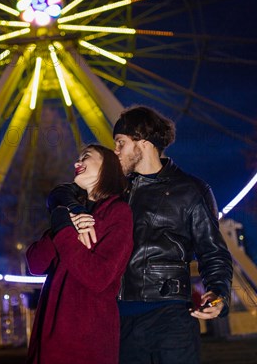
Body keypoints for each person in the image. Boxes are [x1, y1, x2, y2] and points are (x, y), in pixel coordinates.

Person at [48, 105, 233, 364]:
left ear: (142, 143)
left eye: (120, 143)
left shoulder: (191, 190)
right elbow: (61, 192)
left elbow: (213, 251)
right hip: (117, 320)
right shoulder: (115, 191)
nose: (115, 151)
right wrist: (75, 209)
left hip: (170, 317)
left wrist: (218, 292)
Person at [25, 144, 134, 364]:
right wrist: (60, 220)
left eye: (85, 157)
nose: (76, 163)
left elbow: (98, 277)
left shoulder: (118, 213)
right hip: (49, 338)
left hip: (86, 343)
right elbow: (35, 264)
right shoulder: (69, 214)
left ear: (107, 167)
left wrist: (64, 229)